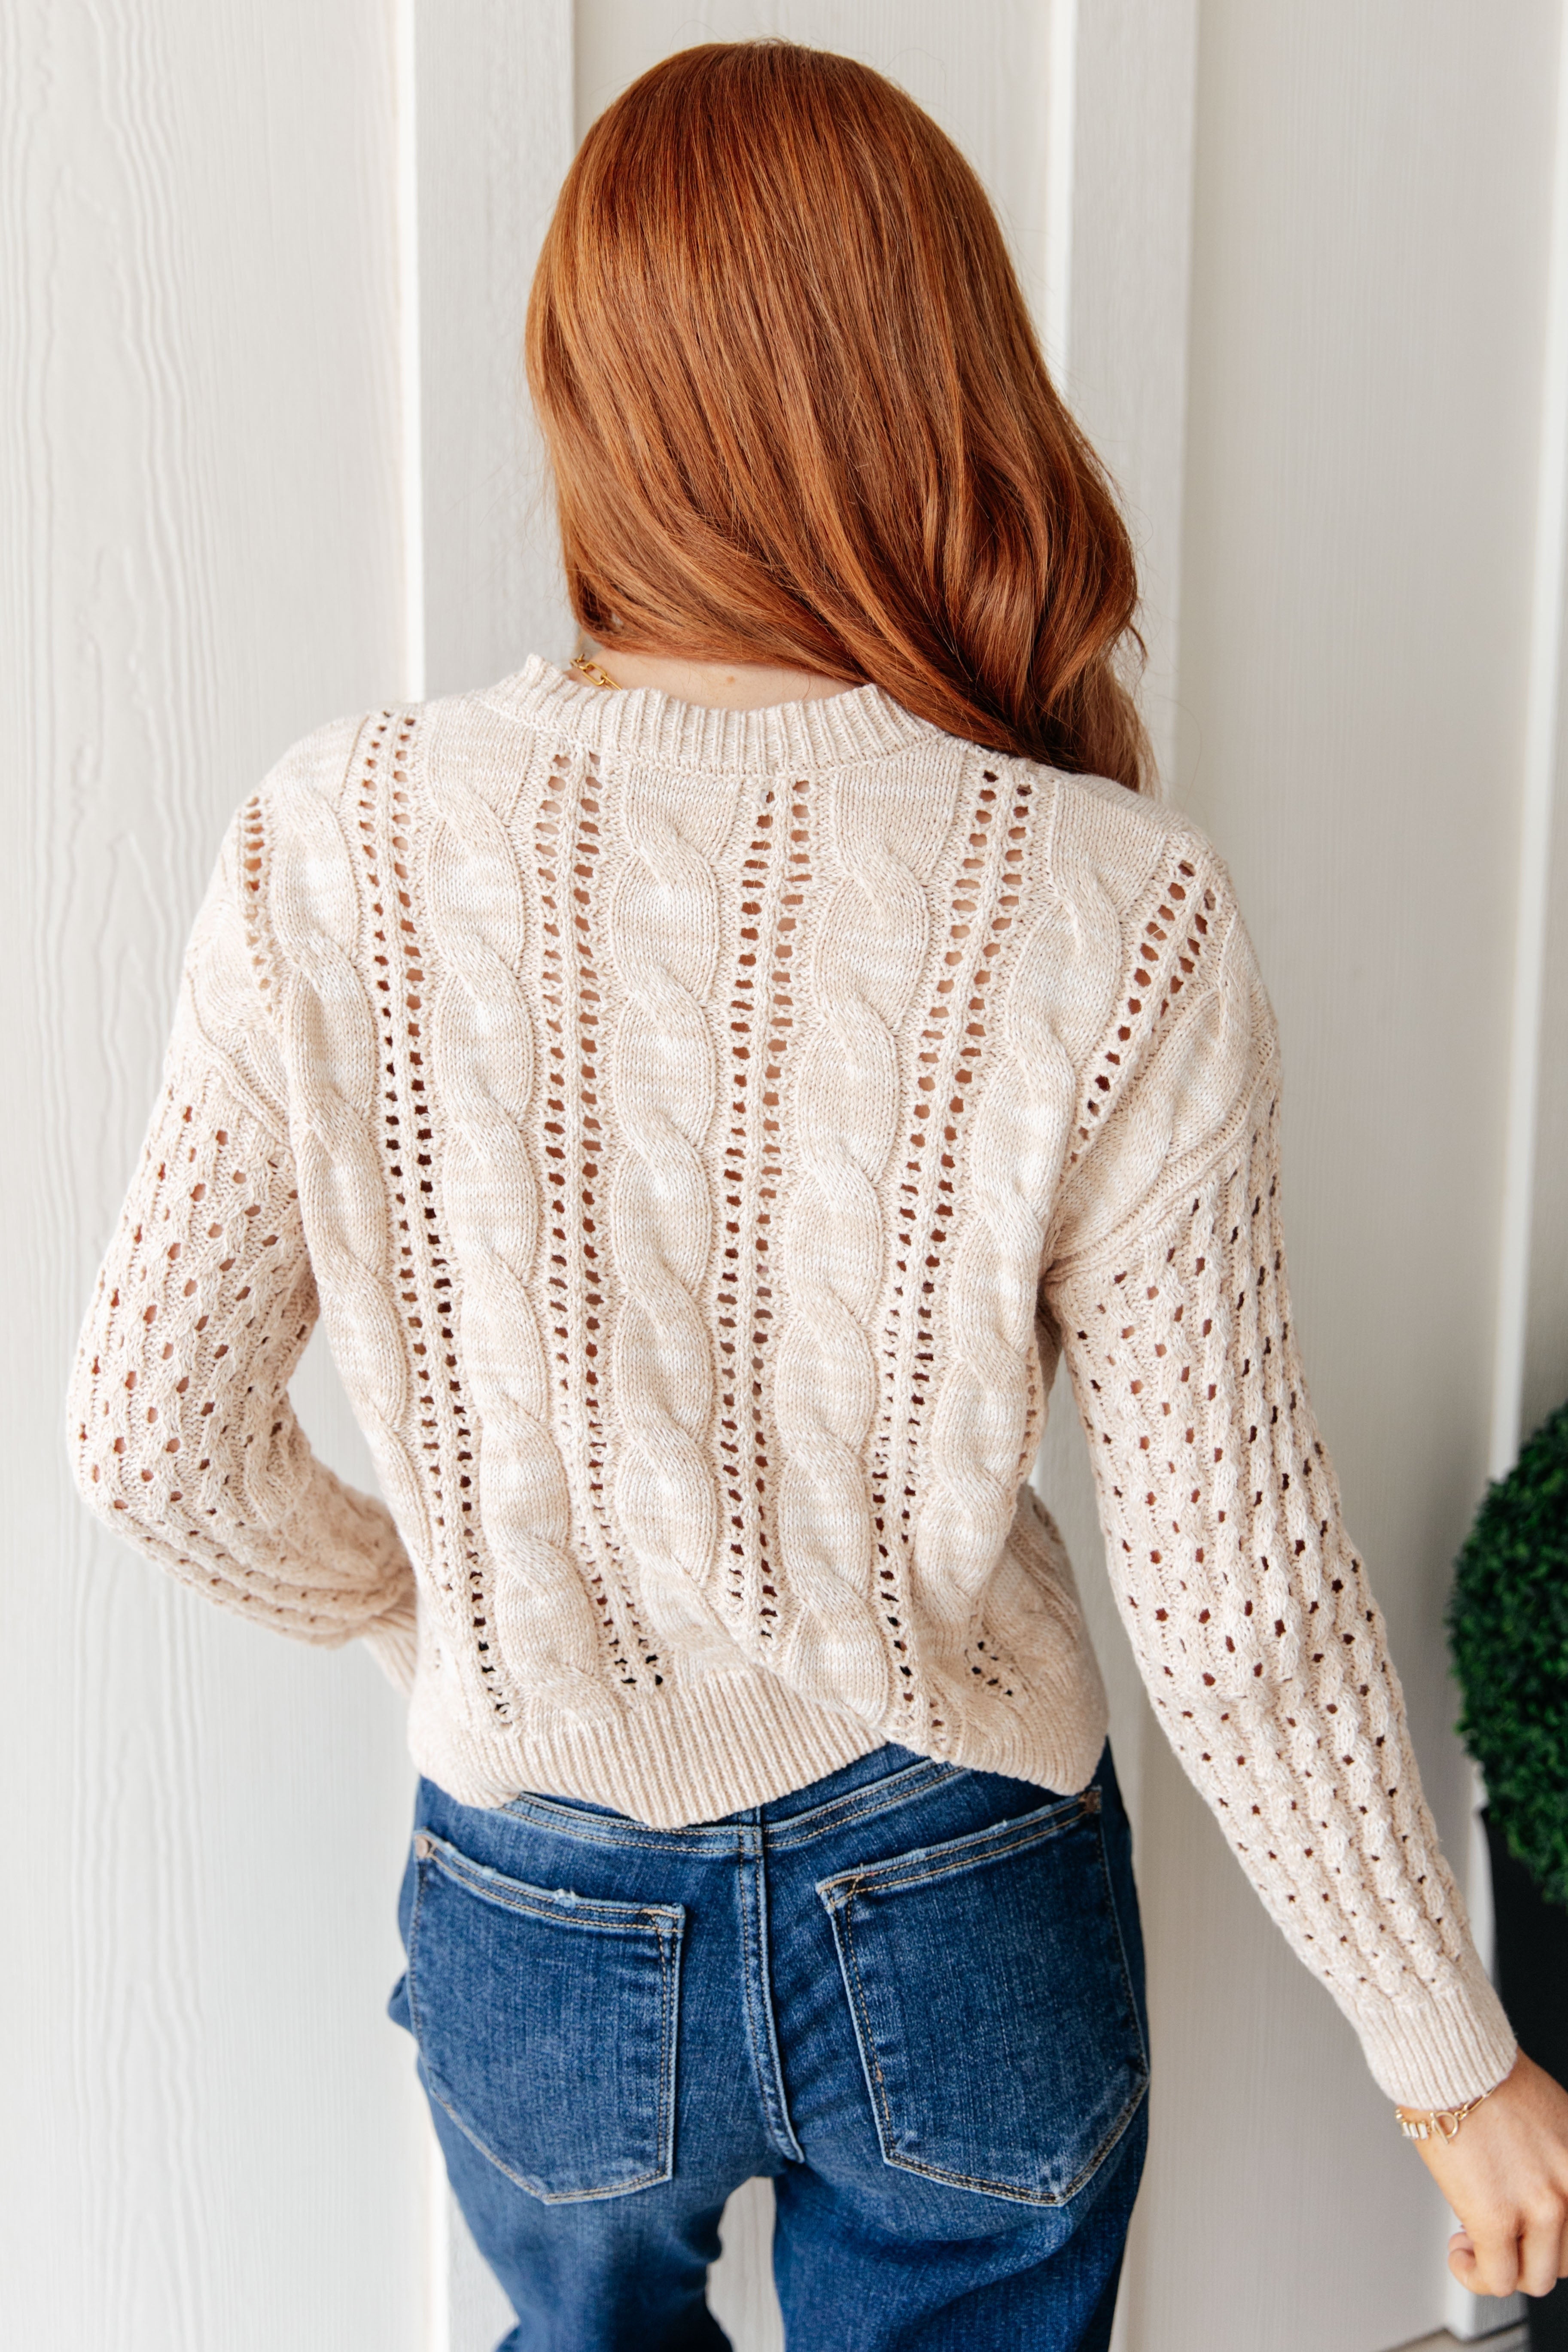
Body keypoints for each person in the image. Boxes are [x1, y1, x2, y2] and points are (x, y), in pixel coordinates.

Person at [67, 39, 1568, 2352]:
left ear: (587, 399)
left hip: (538, 1889)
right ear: (943, 374)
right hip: (958, 1880)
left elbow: (151, 1437)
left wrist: (430, 1617)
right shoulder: (1105, 898)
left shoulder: (334, 839)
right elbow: (1226, 1592)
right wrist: (1442, 2060)